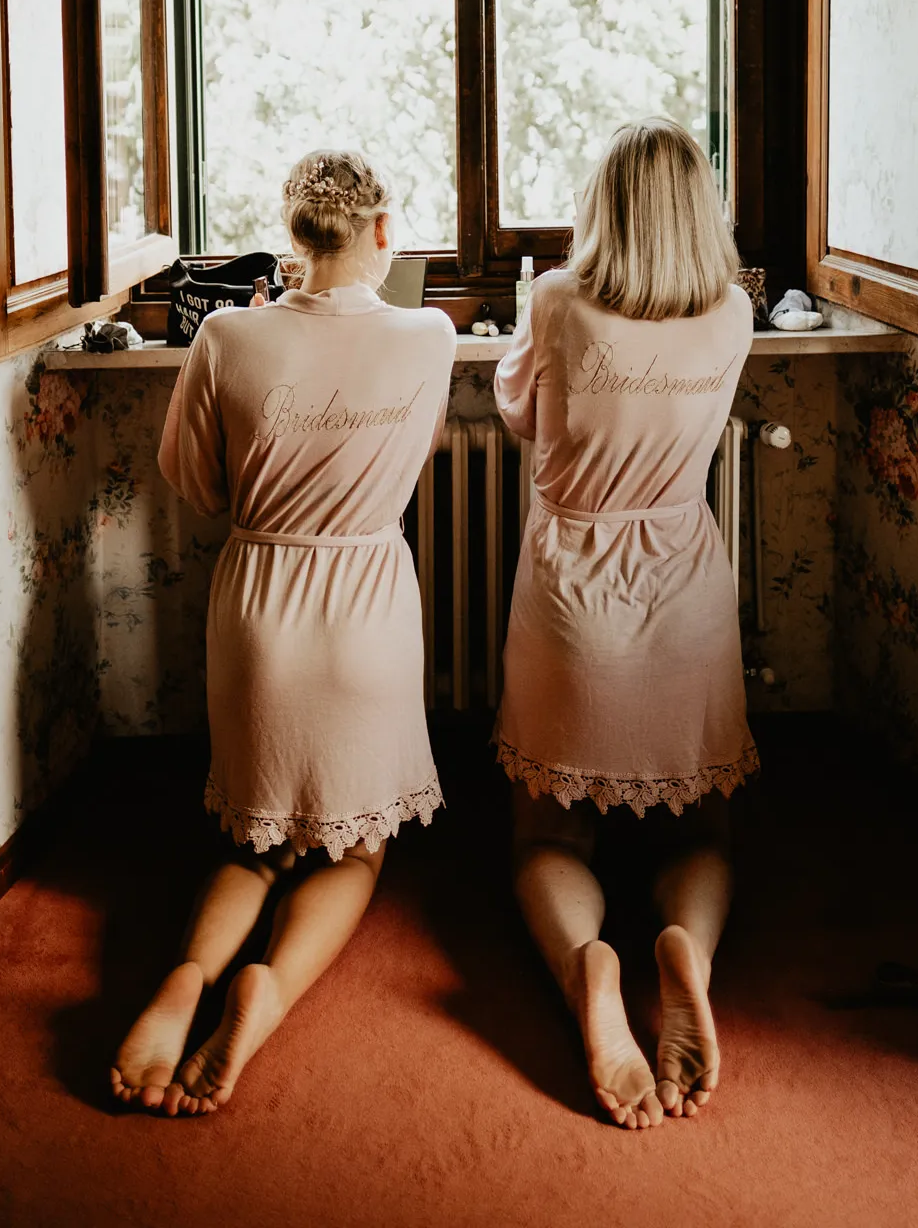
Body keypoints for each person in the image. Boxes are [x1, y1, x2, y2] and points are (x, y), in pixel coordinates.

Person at [112, 151, 455, 1116]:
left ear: (292, 238)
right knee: (354, 852)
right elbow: (420, 452)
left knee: (250, 836)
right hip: (368, 605)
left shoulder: (226, 333)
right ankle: (269, 992)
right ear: (382, 233)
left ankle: (187, 979)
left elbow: (201, 482)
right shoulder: (428, 333)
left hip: (260, 605)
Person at [493, 118, 756, 1132]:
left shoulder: (558, 302)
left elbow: (519, 412)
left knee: (545, 831)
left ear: (603, 205)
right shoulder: (731, 310)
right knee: (705, 823)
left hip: (573, 591)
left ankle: (587, 961)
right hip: (684, 581)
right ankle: (684, 941)